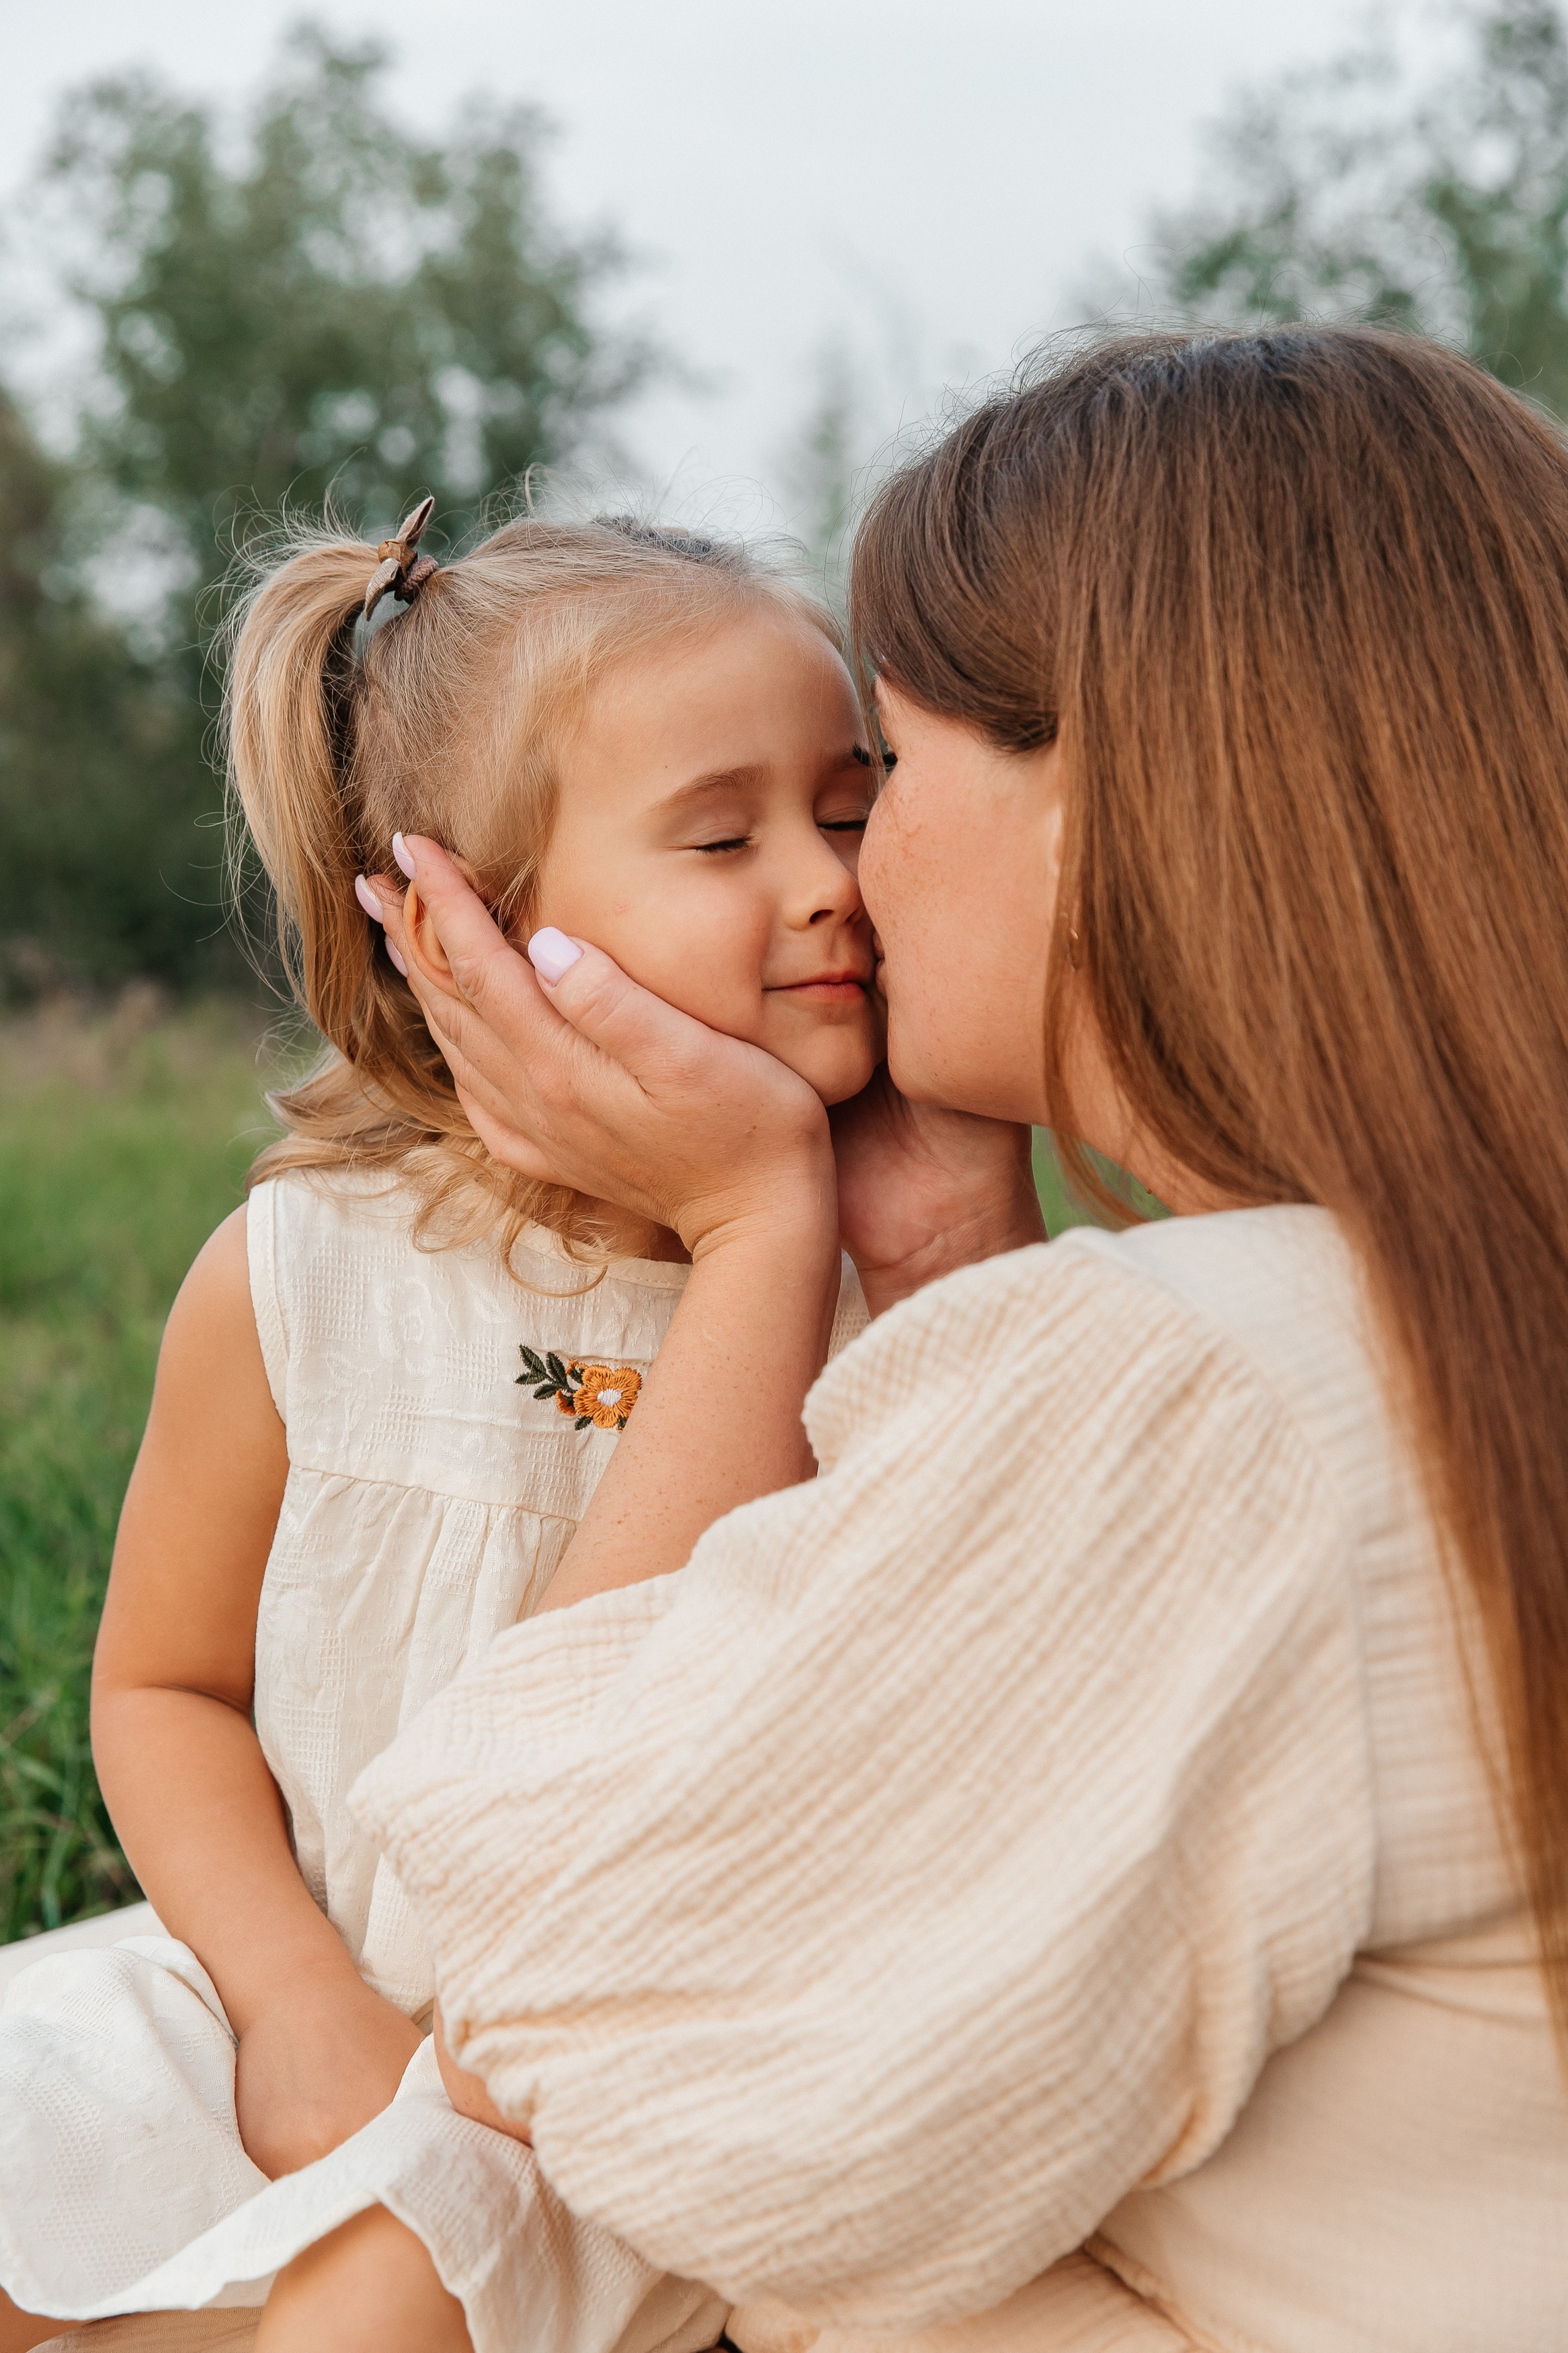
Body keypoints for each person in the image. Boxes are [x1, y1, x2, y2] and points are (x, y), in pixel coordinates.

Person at [352, 329, 1568, 2352]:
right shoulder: (1433, 1303)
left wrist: (759, 1233)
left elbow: (537, 1980)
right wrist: (938, 1256)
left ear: (1105, 802)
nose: (851, 874)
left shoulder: (1213, 1382)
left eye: (890, 775)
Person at [0, 509, 881, 2353]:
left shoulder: (876, 1308)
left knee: (419, 2270)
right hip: (288, 1981)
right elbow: (164, 1689)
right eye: (724, 835)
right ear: (458, 925)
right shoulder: (307, 1276)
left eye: (854, 809)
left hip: (611, 2080)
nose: (828, 883)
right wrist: (293, 1992)